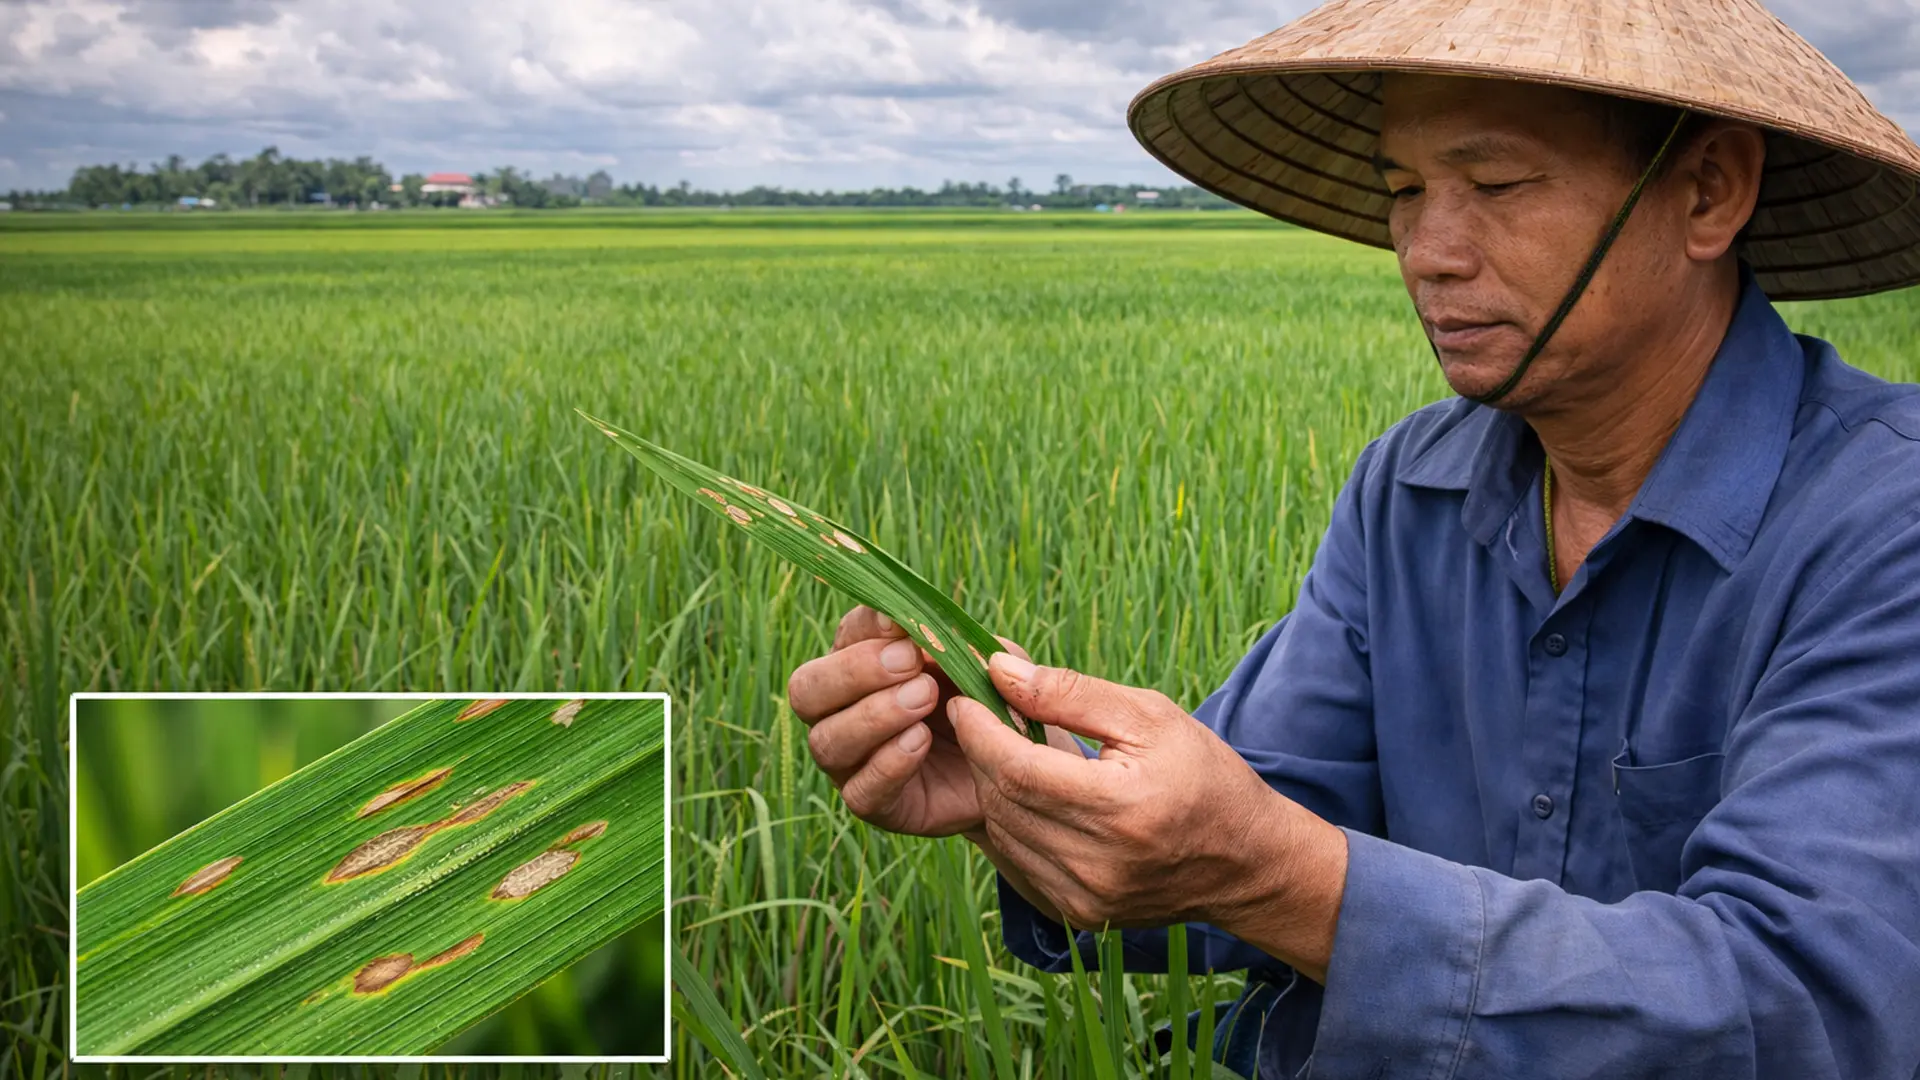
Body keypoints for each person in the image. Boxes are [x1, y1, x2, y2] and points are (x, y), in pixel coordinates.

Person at [785, 0, 1920, 1075]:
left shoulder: (1884, 523)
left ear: (1709, 193)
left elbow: (1809, 1006)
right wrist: (1020, 788)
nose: (1430, 251)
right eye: (1405, 191)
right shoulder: (1410, 490)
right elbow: (1258, 807)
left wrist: (1280, 877)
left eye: (1497, 183)